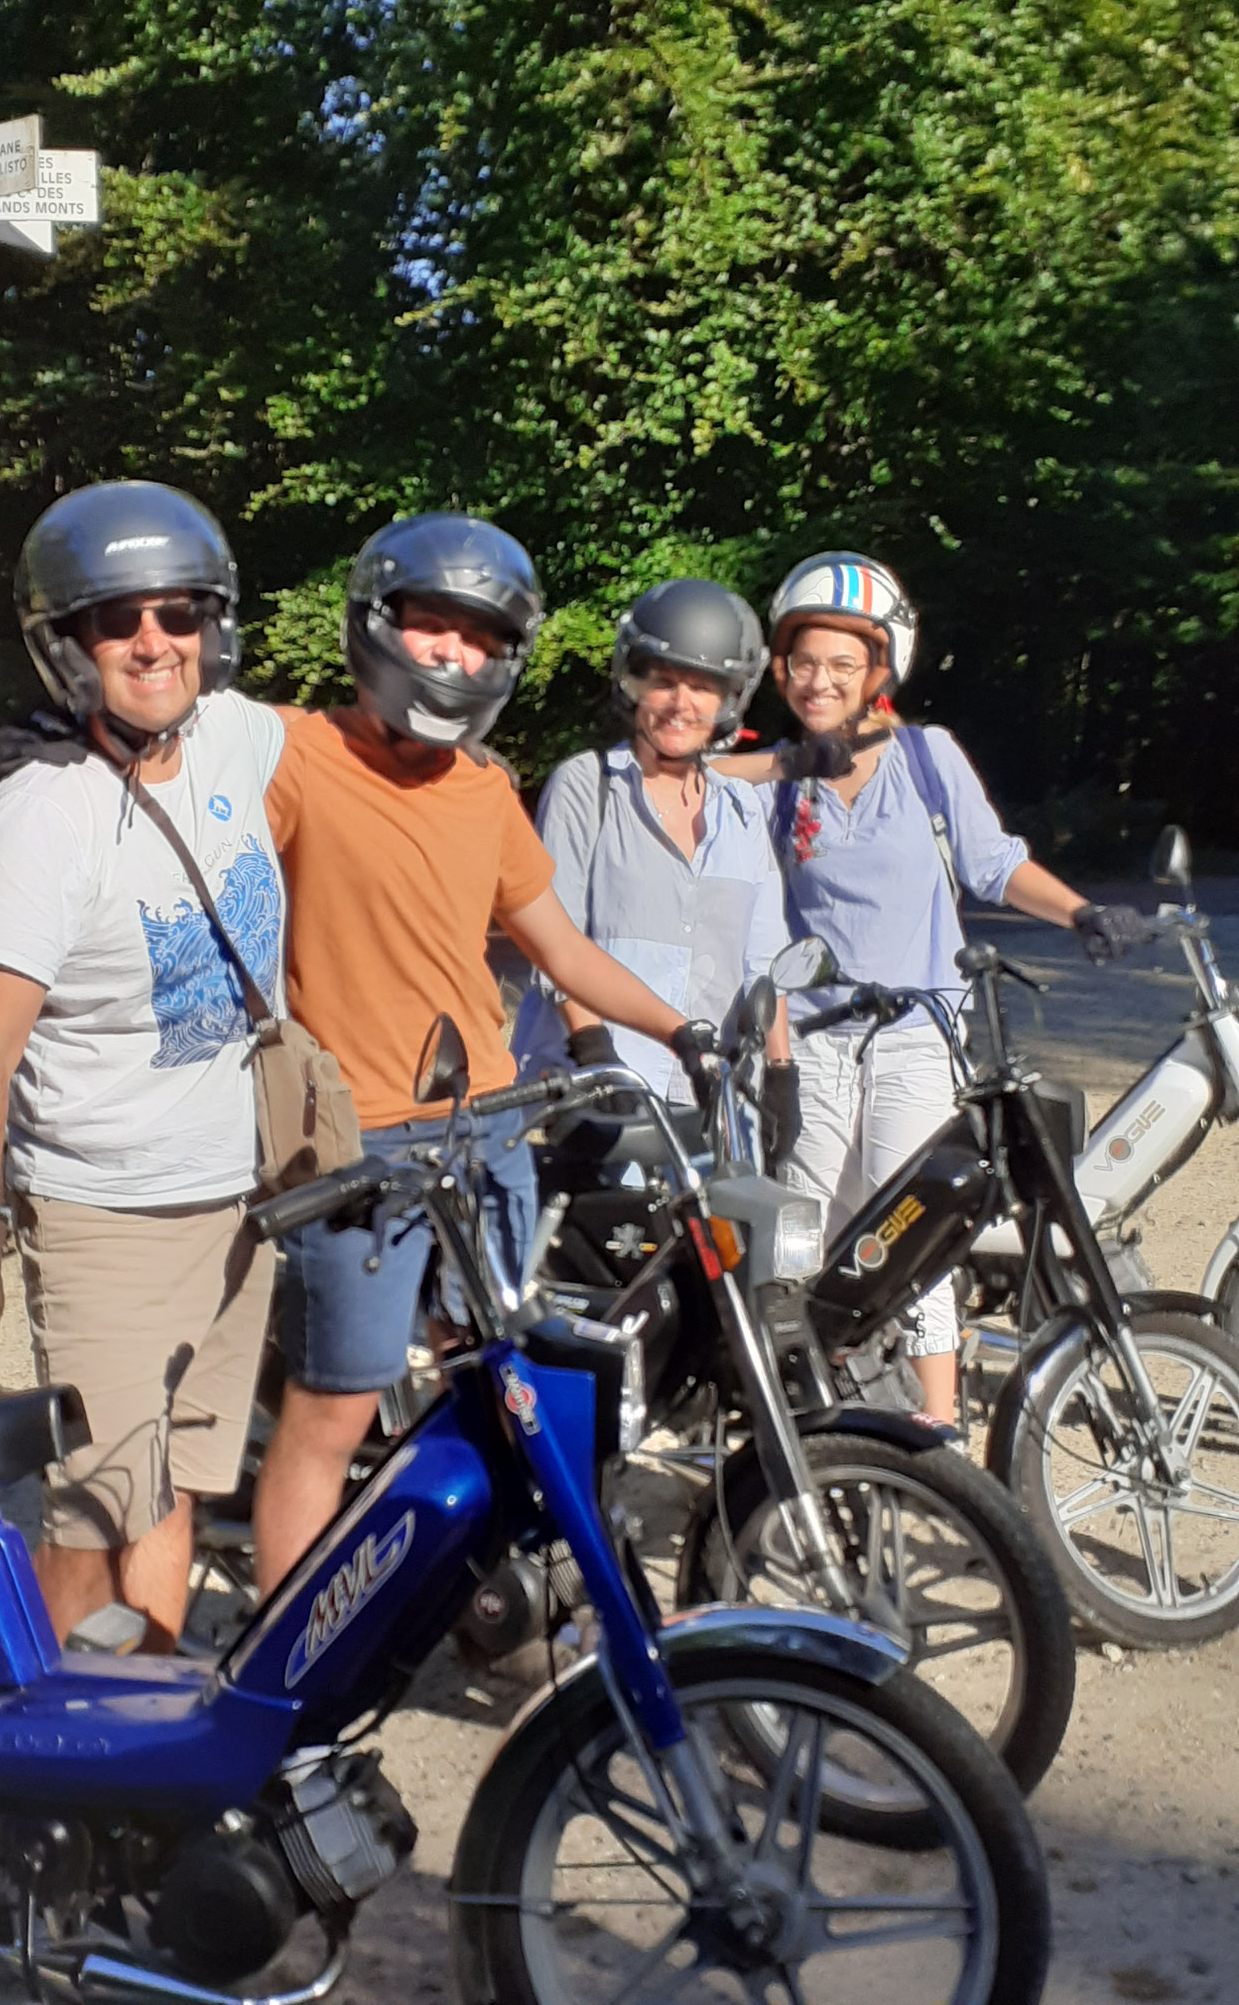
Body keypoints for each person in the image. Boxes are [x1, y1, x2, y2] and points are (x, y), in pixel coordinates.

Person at [252, 515, 727, 1596]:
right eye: (430, 627)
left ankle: (489, 1599)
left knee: (499, 1374)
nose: (451, 656)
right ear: (379, 626)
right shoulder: (292, 753)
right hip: (356, 1143)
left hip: (487, 1127)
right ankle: (287, 1661)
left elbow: (556, 944)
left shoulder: (482, 789)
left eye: (477, 638)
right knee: (332, 1403)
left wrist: (677, 1028)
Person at [0, 481, 282, 1652]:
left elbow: (372, 752)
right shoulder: (44, 818)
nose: (153, 641)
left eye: (177, 611)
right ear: (67, 644)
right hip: (110, 1212)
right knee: (93, 1508)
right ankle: (53, 1769)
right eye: (118, 620)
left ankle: (142, 1725)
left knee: (177, 1482)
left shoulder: (234, 734)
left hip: (239, 1194)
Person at [721, 550, 1146, 1426]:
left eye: (843, 663)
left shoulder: (926, 757)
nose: (819, 680)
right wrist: (755, 764)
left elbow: (994, 865)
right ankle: (804, 1406)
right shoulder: (781, 779)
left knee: (914, 1221)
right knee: (802, 1224)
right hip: (815, 1037)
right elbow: (686, 781)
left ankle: (937, 1420)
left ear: (879, 668)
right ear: (779, 668)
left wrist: (1079, 914)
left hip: (919, 1031)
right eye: (803, 662)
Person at [511, 578, 799, 1157]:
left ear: (729, 701)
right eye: (663, 681)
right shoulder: (587, 787)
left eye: (702, 687)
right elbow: (556, 942)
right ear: (632, 683)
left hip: (711, 1099)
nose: (680, 703)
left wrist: (782, 1072)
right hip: (601, 1089)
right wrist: (594, 1051)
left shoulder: (741, 811)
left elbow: (763, 960)